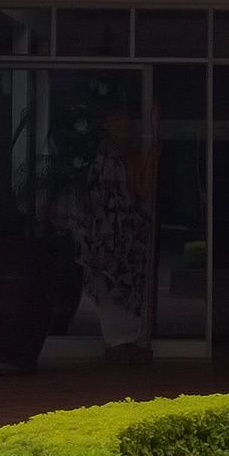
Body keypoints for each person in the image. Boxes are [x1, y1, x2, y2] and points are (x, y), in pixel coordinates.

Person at [76, 105, 157, 354]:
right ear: (108, 127)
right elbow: (96, 198)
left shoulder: (128, 155)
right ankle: (115, 342)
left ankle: (128, 339)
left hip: (127, 234)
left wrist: (153, 155)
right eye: (118, 124)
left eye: (126, 124)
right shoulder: (102, 159)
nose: (123, 129)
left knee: (127, 285)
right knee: (108, 288)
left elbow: (141, 190)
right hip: (105, 235)